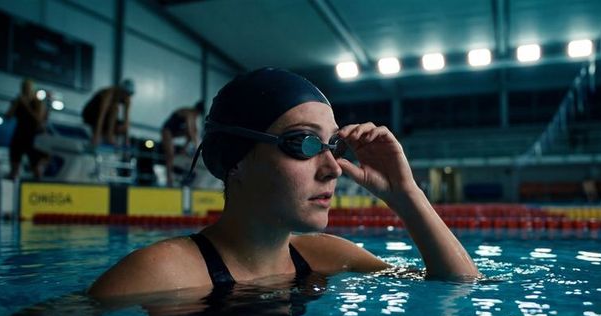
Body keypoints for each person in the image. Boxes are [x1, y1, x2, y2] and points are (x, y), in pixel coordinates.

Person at [88, 68, 480, 298]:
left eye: (332, 144)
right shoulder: (164, 274)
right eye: (303, 143)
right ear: (236, 161)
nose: (334, 167)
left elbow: (458, 285)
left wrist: (405, 194)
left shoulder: (326, 256)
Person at [4, 79, 48, 180]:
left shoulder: (38, 102)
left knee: (36, 167)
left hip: (33, 137)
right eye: (24, 88)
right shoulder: (18, 101)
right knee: (14, 166)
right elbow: (7, 116)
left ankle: (39, 188)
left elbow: (39, 119)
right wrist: (15, 104)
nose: (26, 90)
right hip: (19, 135)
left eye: (28, 88)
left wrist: (26, 105)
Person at [161, 101, 205, 186]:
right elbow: (190, 130)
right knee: (170, 154)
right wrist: (197, 147)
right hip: (167, 130)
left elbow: (194, 131)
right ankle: (169, 179)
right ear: (197, 112)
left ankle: (183, 150)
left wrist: (197, 145)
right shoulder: (189, 113)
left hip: (175, 131)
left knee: (191, 134)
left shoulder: (193, 116)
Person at [81, 79, 134, 146]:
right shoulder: (109, 94)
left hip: (104, 118)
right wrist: (96, 136)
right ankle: (107, 135)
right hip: (90, 113)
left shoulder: (127, 100)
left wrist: (127, 141)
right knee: (115, 109)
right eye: (125, 94)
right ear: (120, 91)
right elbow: (101, 115)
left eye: (129, 95)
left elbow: (126, 121)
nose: (126, 96)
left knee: (122, 126)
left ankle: (108, 135)